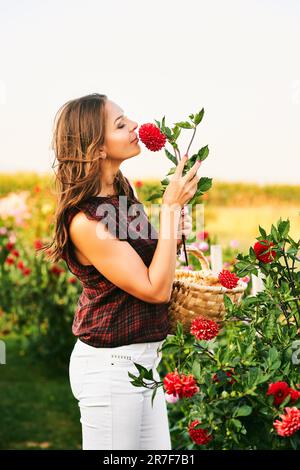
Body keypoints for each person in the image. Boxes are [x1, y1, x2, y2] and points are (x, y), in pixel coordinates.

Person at [43, 93, 199, 450]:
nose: (134, 126)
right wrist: (171, 210)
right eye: (120, 124)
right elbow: (154, 289)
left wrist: (170, 236)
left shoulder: (121, 194)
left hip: (144, 364)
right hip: (110, 369)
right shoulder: (85, 221)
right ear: (97, 148)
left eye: (126, 118)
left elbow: (148, 264)